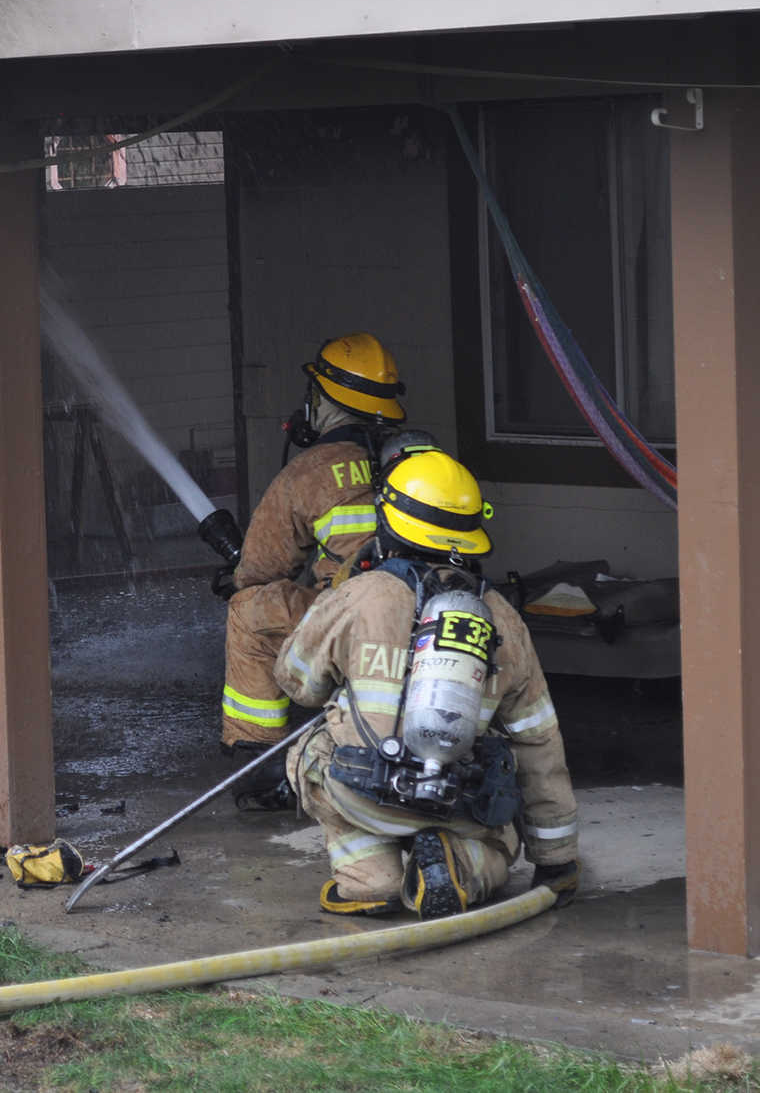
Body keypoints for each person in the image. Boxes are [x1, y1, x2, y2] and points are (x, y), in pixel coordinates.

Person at [272, 450, 581, 918]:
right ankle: (462, 865)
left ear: (389, 522)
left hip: (362, 791)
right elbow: (538, 741)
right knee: (502, 842)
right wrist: (556, 861)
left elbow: (297, 684)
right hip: (457, 802)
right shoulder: (503, 618)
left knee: (308, 753)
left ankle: (370, 880)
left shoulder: (362, 594)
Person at [217, 334, 409, 760]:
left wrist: (236, 580)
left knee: (248, 612)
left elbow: (261, 572)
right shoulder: (419, 460)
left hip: (352, 620)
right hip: (426, 612)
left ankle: (258, 757)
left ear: (321, 398)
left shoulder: (308, 473)